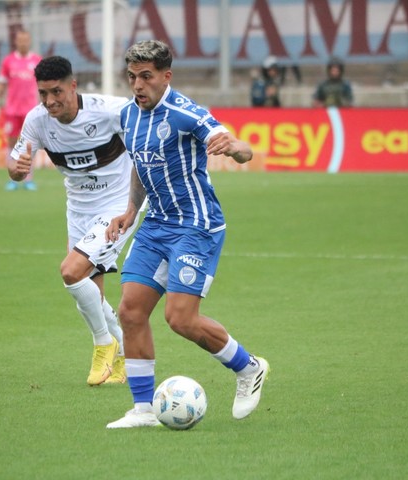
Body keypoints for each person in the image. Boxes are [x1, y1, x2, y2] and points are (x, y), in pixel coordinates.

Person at [104, 40, 269, 429]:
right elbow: (141, 166)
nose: (137, 85)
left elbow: (243, 149)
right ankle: (143, 409)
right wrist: (130, 210)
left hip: (195, 226)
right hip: (156, 224)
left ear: (166, 76)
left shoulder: (187, 113)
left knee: (180, 319)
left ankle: (249, 369)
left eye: (146, 76)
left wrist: (234, 148)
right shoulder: (128, 116)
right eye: (132, 77)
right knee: (130, 311)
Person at [7, 55, 136, 386]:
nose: (50, 101)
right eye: (43, 94)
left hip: (117, 208)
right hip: (78, 210)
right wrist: (16, 170)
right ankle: (125, 354)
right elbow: (15, 161)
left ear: (73, 86)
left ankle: (103, 344)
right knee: (88, 292)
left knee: (70, 271)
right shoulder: (37, 120)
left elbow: (147, 130)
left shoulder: (110, 110)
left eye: (57, 92)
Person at [0, 29, 41, 191]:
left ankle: (28, 179)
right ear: (16, 41)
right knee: (12, 143)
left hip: (31, 111)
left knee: (29, 145)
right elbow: (1, 83)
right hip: (12, 110)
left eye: (25, 40)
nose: (23, 43)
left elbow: (44, 85)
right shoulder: (8, 61)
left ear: (30, 41)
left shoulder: (36, 60)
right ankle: (12, 179)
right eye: (20, 40)